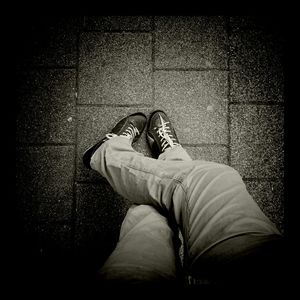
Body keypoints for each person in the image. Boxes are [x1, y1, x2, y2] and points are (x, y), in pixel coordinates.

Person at [82, 110, 284, 288]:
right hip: (263, 262)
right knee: (163, 201)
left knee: (207, 181)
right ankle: (171, 155)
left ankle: (109, 152)